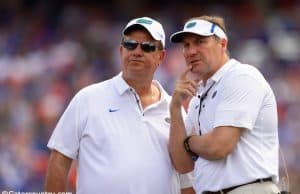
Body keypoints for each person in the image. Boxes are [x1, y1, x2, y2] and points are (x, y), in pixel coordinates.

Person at [44, 16, 195, 194]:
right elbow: (59, 160)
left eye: (147, 46)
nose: (137, 51)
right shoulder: (87, 99)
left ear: (160, 56)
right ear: (121, 50)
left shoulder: (175, 111)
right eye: (131, 44)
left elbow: (186, 182)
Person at [168, 15, 280, 194]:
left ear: (222, 44)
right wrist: (174, 107)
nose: (191, 51)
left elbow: (218, 146)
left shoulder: (241, 76)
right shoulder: (197, 98)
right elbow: (182, 164)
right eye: (187, 45)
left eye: (200, 42)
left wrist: (189, 143)